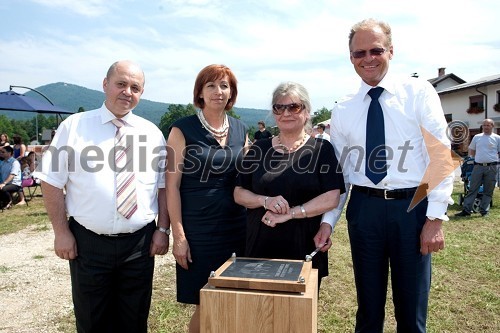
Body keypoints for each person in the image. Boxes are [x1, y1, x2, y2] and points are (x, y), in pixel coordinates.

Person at [329, 18, 454, 332]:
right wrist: (328, 221)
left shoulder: (418, 93)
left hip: (411, 208)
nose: (368, 58)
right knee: (368, 309)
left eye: (376, 50)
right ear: (351, 58)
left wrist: (435, 219)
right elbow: (341, 174)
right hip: (364, 210)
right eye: (360, 53)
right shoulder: (343, 108)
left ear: (391, 51)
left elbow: (440, 157)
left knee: (411, 311)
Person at [34, 60, 169, 333]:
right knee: (92, 321)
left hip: (139, 244)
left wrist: (162, 229)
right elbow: (50, 181)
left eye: (135, 87)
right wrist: (61, 232)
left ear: (142, 93)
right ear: (105, 84)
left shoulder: (151, 133)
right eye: (121, 84)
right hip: (88, 244)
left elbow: (163, 187)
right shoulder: (74, 127)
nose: (127, 92)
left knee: (134, 320)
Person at [234, 81, 345, 289]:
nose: (286, 113)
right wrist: (264, 200)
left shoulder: (322, 149)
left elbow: (332, 197)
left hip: (304, 243)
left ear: (307, 112)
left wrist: (290, 213)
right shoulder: (260, 148)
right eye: (279, 107)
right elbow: (239, 193)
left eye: (293, 107)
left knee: (298, 316)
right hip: (260, 244)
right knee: (258, 312)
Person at [166, 64, 248, 333]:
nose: (218, 91)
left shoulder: (240, 129)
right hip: (199, 230)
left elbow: (249, 177)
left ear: (231, 93)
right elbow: (172, 186)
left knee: (234, 298)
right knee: (207, 301)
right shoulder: (181, 130)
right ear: (200, 92)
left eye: (224, 86)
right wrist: (178, 236)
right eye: (211, 85)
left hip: (237, 227)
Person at [455, 118, 500, 217]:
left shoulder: (497, 138)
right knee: (472, 189)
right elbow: (472, 150)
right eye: (484, 125)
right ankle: (466, 210)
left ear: (492, 126)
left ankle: (484, 211)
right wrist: (473, 159)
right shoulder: (477, 137)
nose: (485, 127)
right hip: (478, 167)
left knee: (488, 190)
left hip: (492, 167)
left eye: (488, 125)